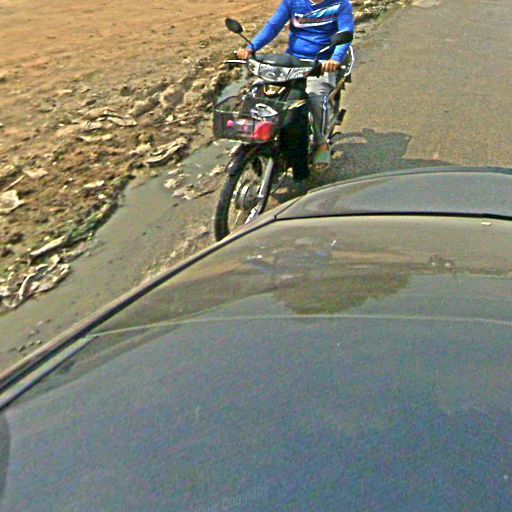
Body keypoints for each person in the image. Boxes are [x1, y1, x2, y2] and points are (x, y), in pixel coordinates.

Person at [237, 0, 355, 172]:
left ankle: (321, 143)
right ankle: (250, 133)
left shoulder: (341, 5)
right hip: (291, 61)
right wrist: (251, 48)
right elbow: (273, 27)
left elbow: (345, 33)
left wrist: (335, 59)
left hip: (322, 63)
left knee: (315, 96)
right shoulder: (292, 2)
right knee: (258, 90)